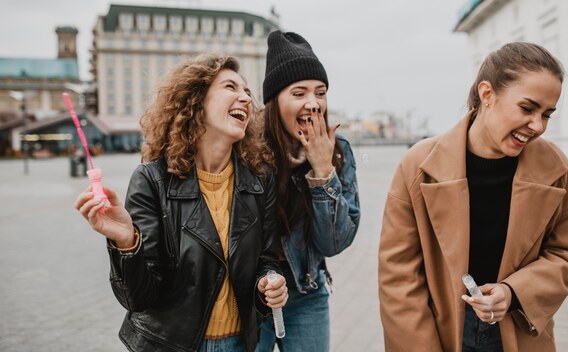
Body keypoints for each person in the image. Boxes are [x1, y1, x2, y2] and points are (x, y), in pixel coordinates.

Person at [378, 42, 568, 351]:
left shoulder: (556, 168)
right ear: (487, 94)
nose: (537, 126)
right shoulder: (418, 166)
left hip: (518, 329)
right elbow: (398, 279)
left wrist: (514, 292)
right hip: (437, 332)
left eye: (547, 114)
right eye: (527, 108)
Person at [74, 54, 288, 352]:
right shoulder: (152, 180)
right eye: (231, 87)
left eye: (247, 93)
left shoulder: (258, 180)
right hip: (169, 345)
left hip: (240, 343)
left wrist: (270, 282)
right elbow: (139, 298)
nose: (246, 99)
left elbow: (266, 258)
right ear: (196, 100)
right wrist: (126, 242)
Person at [255, 31, 361, 352]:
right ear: (275, 101)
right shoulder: (250, 150)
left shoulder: (338, 150)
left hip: (307, 292)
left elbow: (333, 243)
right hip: (252, 296)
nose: (313, 104)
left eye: (320, 92)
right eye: (299, 93)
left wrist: (323, 171)